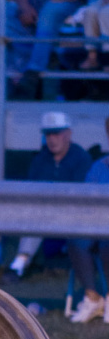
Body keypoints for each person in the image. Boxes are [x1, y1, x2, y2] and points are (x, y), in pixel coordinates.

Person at [0, 111, 92, 282]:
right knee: (1, 209)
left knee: (36, 214)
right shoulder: (41, 159)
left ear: (68, 134)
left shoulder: (80, 158)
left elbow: (80, 196)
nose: (52, 139)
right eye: (48, 134)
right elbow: (30, 189)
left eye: (56, 134)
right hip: (39, 209)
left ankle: (20, 264)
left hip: (67, 215)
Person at [69, 116, 109, 323]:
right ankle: (93, 298)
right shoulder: (98, 167)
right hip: (97, 224)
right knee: (77, 240)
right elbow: (86, 201)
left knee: (107, 242)